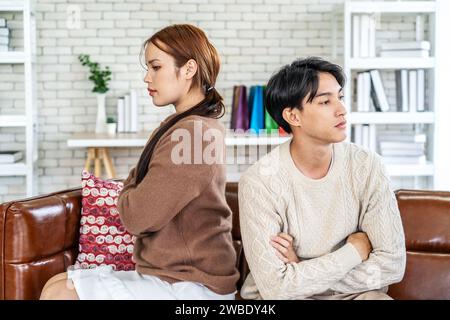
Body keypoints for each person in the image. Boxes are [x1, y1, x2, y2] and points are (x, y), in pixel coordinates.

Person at [40, 24, 239, 300]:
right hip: (170, 277)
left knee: (61, 293)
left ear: (189, 69)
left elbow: (136, 217)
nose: (147, 77)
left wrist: (131, 186)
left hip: (192, 286)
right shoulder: (186, 126)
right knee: (56, 283)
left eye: (156, 67)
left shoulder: (193, 134)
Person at [238, 57, 406, 300]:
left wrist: (301, 272)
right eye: (326, 101)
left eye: (340, 97)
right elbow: (276, 288)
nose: (341, 109)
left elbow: (392, 264)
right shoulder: (259, 181)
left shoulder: (367, 166)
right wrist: (353, 252)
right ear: (293, 117)